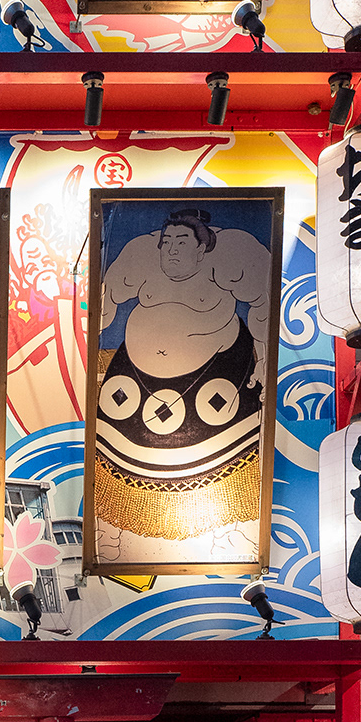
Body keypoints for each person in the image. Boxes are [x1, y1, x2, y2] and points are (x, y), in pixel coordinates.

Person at [94, 205, 274, 565]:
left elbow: (263, 303)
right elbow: (105, 302)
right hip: (137, 372)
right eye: (167, 241)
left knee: (228, 454)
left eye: (181, 241)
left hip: (217, 370)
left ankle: (227, 534)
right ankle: (107, 532)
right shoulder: (139, 257)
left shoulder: (235, 255)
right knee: (113, 448)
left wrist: (264, 356)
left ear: (203, 246)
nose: (171, 249)